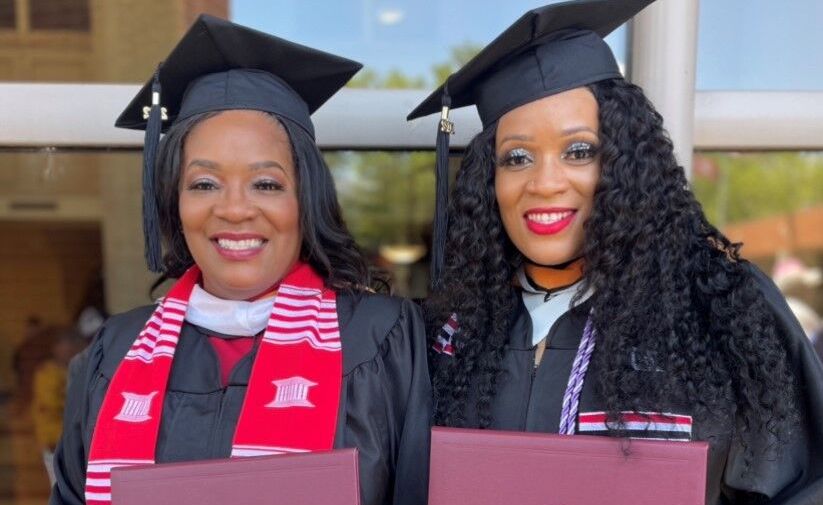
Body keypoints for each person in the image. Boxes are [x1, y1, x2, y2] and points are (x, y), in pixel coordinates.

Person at [408, 0, 823, 503]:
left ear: (627, 162)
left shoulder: (719, 309)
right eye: (516, 157)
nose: (544, 182)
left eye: (579, 151)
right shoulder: (455, 331)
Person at [51, 15, 430, 505]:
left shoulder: (381, 338)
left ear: (305, 199)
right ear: (174, 201)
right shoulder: (114, 352)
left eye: (266, 184)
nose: (233, 210)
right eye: (204, 184)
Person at [32, 328, 86, 485]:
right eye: (64, 346)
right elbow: (49, 405)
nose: (69, 351)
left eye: (73, 346)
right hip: (55, 439)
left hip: (77, 439)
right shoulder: (47, 372)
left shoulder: (78, 369)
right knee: (60, 484)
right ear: (55, 348)